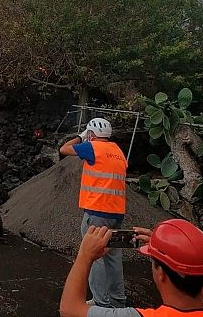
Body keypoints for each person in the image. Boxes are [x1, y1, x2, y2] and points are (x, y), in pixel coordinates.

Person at [60, 219, 203, 316]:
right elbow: (202, 271)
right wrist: (169, 248)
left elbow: (69, 309)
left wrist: (84, 255)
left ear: (161, 273)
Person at [60, 117, 128, 307]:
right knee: (113, 256)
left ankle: (100, 302)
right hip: (116, 213)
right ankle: (118, 301)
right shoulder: (117, 151)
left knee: (94, 254)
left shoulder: (92, 148)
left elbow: (64, 149)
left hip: (98, 211)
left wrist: (81, 137)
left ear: (91, 134)